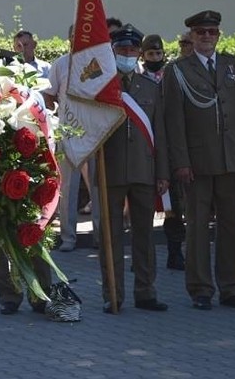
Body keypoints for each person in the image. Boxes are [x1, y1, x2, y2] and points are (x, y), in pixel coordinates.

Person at [163, 10, 235, 310]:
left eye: (212, 32)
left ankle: (231, 288)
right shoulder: (177, 70)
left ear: (219, 35)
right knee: (198, 227)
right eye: (201, 32)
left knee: (231, 226)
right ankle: (201, 289)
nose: (206, 37)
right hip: (197, 162)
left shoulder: (233, 66)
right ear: (191, 36)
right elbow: (173, 122)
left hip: (230, 158)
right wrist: (181, 162)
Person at [99, 25, 170, 314]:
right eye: (121, 50)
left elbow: (162, 134)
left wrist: (163, 173)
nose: (127, 54)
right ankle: (112, 294)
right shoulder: (101, 87)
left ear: (139, 53)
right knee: (110, 237)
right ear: (112, 51)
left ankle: (146, 291)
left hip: (144, 169)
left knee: (144, 235)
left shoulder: (151, 87)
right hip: (110, 170)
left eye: (131, 50)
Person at [43, 25, 99, 252]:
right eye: (74, 36)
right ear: (69, 39)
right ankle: (68, 238)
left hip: (95, 132)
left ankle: (100, 236)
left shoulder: (99, 62)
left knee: (97, 188)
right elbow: (48, 95)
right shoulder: (60, 63)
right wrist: (57, 115)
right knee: (68, 188)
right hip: (68, 131)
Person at [141, 33, 185, 271]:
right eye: (150, 54)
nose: (155, 58)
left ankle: (175, 252)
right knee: (144, 206)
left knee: (173, 206)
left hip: (169, 150)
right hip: (146, 151)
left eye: (158, 54)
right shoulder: (137, 80)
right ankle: (143, 256)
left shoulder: (172, 77)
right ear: (143, 56)